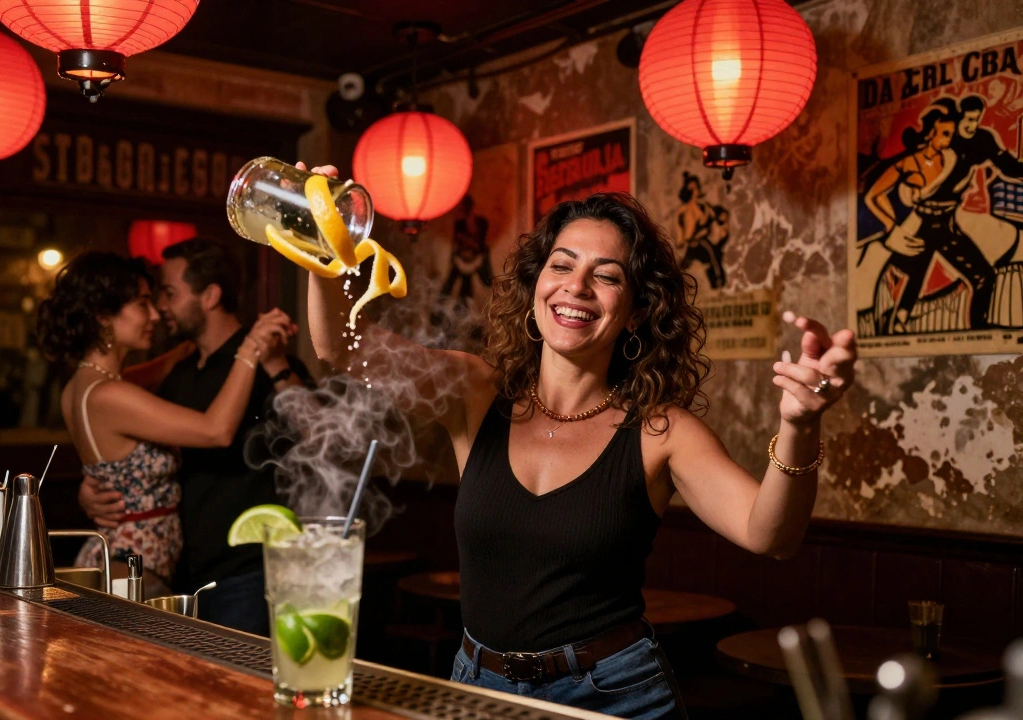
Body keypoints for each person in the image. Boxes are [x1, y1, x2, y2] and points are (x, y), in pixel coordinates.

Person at [302, 164, 856, 719]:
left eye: (607, 275)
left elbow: (771, 536)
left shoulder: (661, 431)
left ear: (637, 311)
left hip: (613, 697)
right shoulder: (473, 393)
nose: (576, 286)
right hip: (477, 689)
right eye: (561, 265)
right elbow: (339, 347)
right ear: (536, 286)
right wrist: (318, 242)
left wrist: (801, 424)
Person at [78, 238, 311, 635]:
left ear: (210, 296)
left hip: (248, 570)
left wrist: (276, 366)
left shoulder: (265, 356)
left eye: (169, 294)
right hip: (186, 571)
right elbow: (119, 425)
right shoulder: (179, 369)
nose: (161, 308)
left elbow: (318, 434)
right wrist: (94, 486)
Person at [864, 102, 996, 333]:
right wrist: (891, 226)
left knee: (922, 272)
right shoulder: (910, 162)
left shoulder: (952, 158)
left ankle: (901, 320)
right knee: (979, 275)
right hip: (931, 225)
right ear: (930, 134)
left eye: (951, 134)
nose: (949, 139)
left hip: (944, 225)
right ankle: (976, 328)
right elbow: (873, 196)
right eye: (945, 134)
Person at [673, 172, 728, 290]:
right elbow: (680, 234)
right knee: (681, 271)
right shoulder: (682, 211)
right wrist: (680, 241)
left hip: (703, 243)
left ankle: (717, 285)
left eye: (696, 187)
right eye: (691, 189)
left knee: (713, 263)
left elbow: (717, 218)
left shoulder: (704, 207)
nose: (694, 191)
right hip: (691, 245)